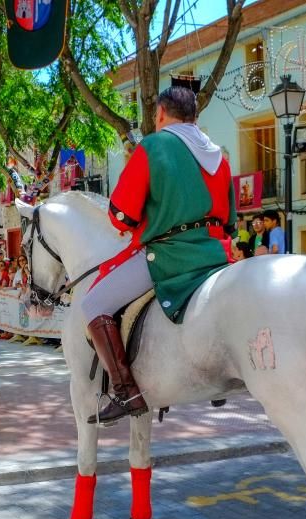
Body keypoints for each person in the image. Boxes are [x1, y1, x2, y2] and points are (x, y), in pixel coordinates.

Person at [92, 84, 234, 425]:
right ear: (195, 117)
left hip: (168, 254)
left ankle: (127, 391)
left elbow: (120, 215)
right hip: (215, 255)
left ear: (160, 114)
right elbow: (228, 220)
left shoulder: (154, 146)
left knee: (92, 306)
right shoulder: (219, 155)